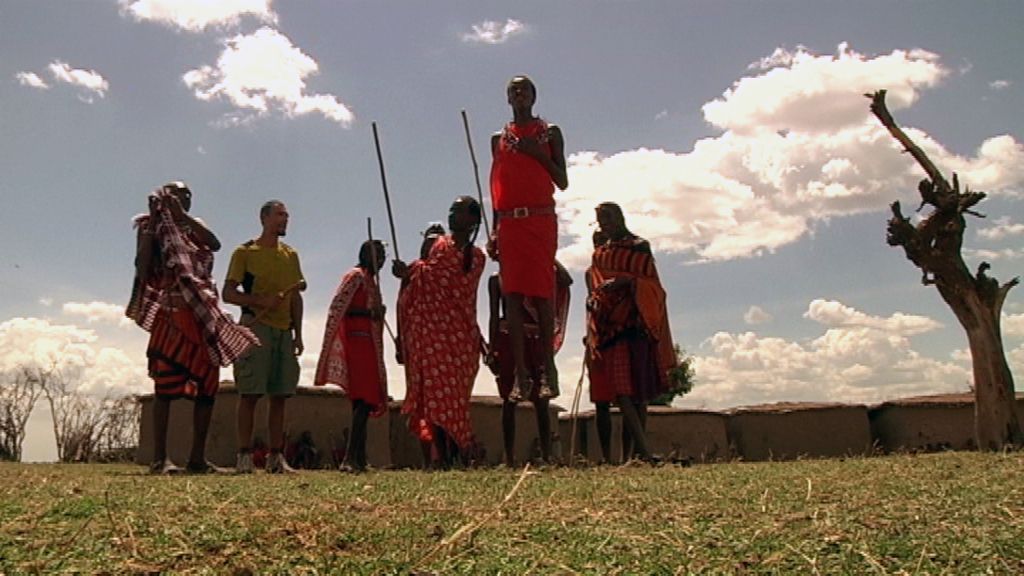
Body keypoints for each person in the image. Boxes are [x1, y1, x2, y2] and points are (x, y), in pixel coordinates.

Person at [128, 181, 259, 475]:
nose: (182, 198)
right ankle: (160, 458)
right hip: (172, 314)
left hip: (202, 315)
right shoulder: (151, 228)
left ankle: (197, 458)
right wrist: (152, 226)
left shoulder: (194, 227)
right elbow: (142, 266)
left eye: (187, 195)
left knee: (207, 387)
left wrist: (182, 218)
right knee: (164, 388)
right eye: (175, 193)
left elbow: (214, 244)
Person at [489, 75, 568, 402]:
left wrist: (538, 154)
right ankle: (521, 376)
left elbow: (562, 180)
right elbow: (498, 187)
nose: (519, 94)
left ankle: (547, 371)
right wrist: (494, 230)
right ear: (508, 98)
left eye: (524, 90)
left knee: (541, 295)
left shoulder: (549, 133)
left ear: (534, 96)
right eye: (513, 90)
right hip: (509, 222)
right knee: (513, 298)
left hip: (539, 218)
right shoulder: (499, 138)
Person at [393, 196, 485, 469]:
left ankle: (455, 454)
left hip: (459, 338)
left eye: (458, 211)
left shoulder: (476, 257)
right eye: (451, 209)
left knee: (453, 399)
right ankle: (441, 457)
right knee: (435, 397)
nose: (452, 214)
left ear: (472, 220)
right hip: (433, 336)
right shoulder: (439, 246)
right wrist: (408, 273)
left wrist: (411, 271)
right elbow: (427, 276)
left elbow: (445, 282)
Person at [586, 202, 677, 463]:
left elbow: (654, 286)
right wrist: (595, 302)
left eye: (609, 216)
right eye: (600, 218)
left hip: (637, 323)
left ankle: (636, 454)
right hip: (609, 327)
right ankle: (645, 452)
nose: (605, 222)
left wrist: (628, 281)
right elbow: (596, 288)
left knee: (638, 392)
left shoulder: (639, 247)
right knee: (622, 390)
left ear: (621, 217)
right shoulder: (599, 256)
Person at [223, 200, 306, 474]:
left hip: (284, 331)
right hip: (255, 327)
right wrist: (260, 300)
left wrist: (298, 334)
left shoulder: (290, 255)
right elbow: (228, 293)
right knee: (250, 393)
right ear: (264, 218)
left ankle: (276, 457)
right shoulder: (245, 253)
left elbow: (295, 296)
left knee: (280, 395)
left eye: (287, 215)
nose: (285, 220)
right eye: (280, 215)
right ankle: (244, 456)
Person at [485, 262, 571, 467]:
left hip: (536, 339)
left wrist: (545, 256)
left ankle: (548, 455)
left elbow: (566, 280)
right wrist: (491, 349)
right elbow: (494, 315)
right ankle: (510, 457)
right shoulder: (496, 280)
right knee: (509, 399)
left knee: (542, 400)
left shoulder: (538, 274)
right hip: (508, 340)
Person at [314, 240, 388, 473]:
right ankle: (349, 458)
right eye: (378, 255)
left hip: (369, 344)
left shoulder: (371, 282)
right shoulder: (355, 276)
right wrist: (369, 312)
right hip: (357, 343)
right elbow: (338, 306)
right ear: (365, 255)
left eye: (383, 257)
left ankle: (359, 457)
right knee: (362, 400)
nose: (381, 261)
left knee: (364, 402)